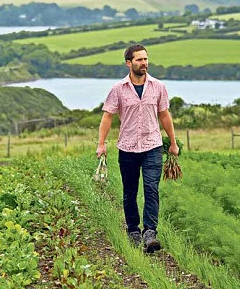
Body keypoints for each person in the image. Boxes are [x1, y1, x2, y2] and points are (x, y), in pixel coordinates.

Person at [96, 44, 179, 253]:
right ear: (129, 63)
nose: (144, 63)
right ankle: (133, 230)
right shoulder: (118, 89)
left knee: (151, 189)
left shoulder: (158, 86)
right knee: (130, 192)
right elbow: (108, 116)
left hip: (152, 146)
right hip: (128, 148)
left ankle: (150, 232)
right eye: (139, 60)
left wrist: (173, 142)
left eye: (146, 59)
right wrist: (101, 144)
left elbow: (164, 115)